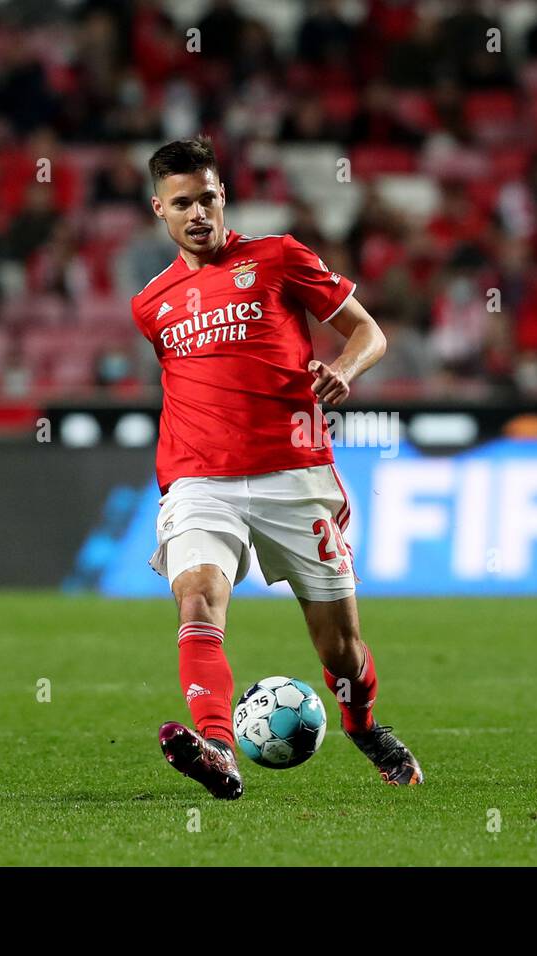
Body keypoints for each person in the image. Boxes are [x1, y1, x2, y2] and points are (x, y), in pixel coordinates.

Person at [129, 137, 423, 799]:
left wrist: (342, 370)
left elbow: (367, 332)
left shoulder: (279, 258)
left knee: (340, 650)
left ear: (222, 196)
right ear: (160, 210)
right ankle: (216, 747)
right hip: (199, 478)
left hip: (294, 474)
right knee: (198, 598)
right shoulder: (152, 304)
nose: (198, 212)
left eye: (207, 197)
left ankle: (363, 724)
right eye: (183, 203)